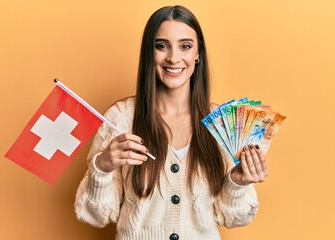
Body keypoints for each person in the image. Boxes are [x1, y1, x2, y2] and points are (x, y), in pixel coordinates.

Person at [75, 5, 268, 240]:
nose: (173, 58)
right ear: (149, 53)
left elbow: (232, 218)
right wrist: (102, 167)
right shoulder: (121, 117)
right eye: (161, 46)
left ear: (198, 54)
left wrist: (238, 182)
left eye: (185, 46)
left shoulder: (223, 123)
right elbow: (96, 216)